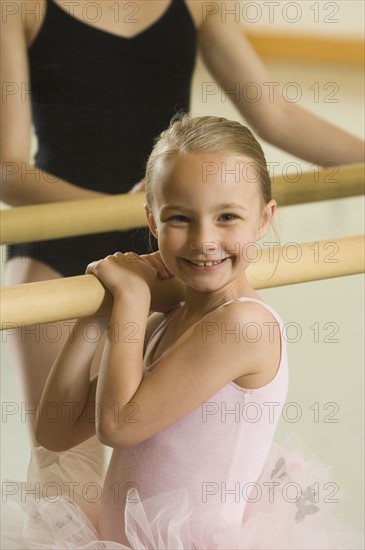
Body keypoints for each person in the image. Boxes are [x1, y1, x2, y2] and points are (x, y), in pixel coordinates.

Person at [1, 0, 364, 462]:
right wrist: (126, 211)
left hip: (170, 244)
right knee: (69, 473)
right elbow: (8, 169)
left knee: (159, 436)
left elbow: (275, 113)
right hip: (65, 242)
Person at [2, 115, 361, 549]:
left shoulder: (243, 325)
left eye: (227, 216)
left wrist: (132, 301)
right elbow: (55, 432)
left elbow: (118, 426)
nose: (204, 240)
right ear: (152, 222)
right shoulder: (164, 321)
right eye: (179, 218)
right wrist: (99, 315)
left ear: (264, 219)